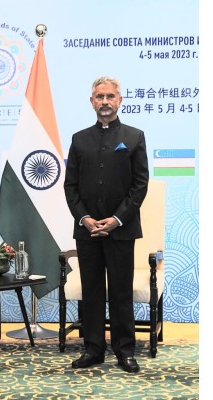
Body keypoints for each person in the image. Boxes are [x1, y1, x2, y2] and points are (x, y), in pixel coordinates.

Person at [63, 76, 149, 373]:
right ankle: (93, 349)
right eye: (99, 97)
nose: (105, 102)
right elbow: (70, 186)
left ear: (119, 100)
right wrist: (86, 219)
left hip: (122, 230)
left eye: (110, 96)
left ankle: (125, 350)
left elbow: (140, 186)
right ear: (91, 101)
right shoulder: (79, 139)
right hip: (87, 231)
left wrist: (115, 220)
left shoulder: (134, 136)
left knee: (121, 291)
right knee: (93, 291)